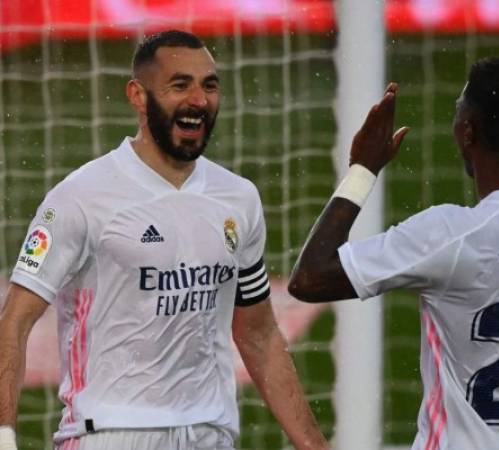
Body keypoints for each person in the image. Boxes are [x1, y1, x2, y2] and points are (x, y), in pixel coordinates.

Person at [0, 30, 329, 450]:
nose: (198, 99)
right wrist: (4, 436)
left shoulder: (238, 199)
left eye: (209, 85)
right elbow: (14, 321)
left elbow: (259, 335)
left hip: (210, 435)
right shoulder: (80, 197)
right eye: (180, 85)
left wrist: (316, 445)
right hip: (110, 435)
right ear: (137, 96)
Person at [288, 56, 499, 449]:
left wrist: (362, 169)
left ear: (467, 131)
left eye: (458, 111)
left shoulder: (450, 237)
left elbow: (309, 277)